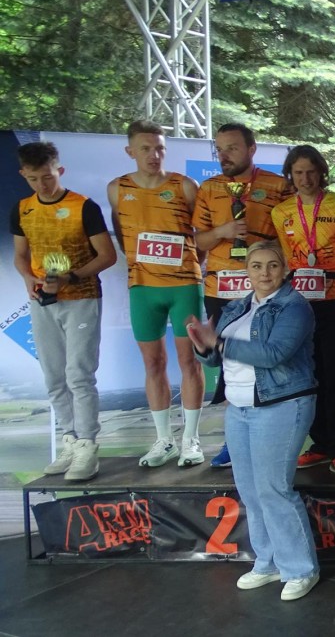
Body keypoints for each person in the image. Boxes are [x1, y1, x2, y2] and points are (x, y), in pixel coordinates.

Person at [186, 240, 320, 602]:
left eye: (272, 265)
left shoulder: (295, 307)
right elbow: (215, 358)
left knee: (274, 489)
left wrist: (220, 343)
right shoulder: (235, 307)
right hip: (239, 409)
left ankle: (301, 569)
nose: (264, 273)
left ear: (285, 269)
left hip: (282, 406)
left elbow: (275, 354)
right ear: (246, 271)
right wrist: (203, 345)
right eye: (256, 266)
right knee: (250, 491)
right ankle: (268, 561)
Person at [13, 142, 117, 481]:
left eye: (47, 177)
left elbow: (107, 256)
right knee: (53, 376)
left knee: (78, 374)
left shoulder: (83, 206)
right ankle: (69, 440)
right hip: (42, 301)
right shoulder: (22, 209)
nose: (42, 185)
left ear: (60, 170)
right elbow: (21, 256)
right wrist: (29, 279)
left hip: (81, 298)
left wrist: (72, 276)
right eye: (33, 179)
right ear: (23, 175)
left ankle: (87, 444)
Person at [193, 122, 293, 469]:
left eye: (232, 148)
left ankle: (272, 434)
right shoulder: (208, 188)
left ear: (252, 149)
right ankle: (232, 440)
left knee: (264, 357)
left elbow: (290, 236)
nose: (224, 155)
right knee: (224, 362)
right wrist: (222, 231)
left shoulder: (277, 186)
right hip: (220, 286)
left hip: (263, 285)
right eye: (219, 149)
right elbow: (198, 241)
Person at [107, 120, 206, 469]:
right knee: (152, 363)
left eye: (160, 148)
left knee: (189, 361)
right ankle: (164, 440)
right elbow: (121, 234)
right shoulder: (117, 188)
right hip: (143, 288)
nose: (154, 155)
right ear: (130, 151)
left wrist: (186, 265)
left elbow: (201, 237)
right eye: (146, 149)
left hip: (183, 286)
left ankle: (191, 439)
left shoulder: (185, 186)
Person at [271, 145, 335, 481]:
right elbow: (286, 259)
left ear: (322, 172)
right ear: (290, 175)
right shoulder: (281, 212)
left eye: (311, 171)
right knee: (307, 376)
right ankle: (320, 444)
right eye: (298, 173)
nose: (305, 178)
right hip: (299, 304)